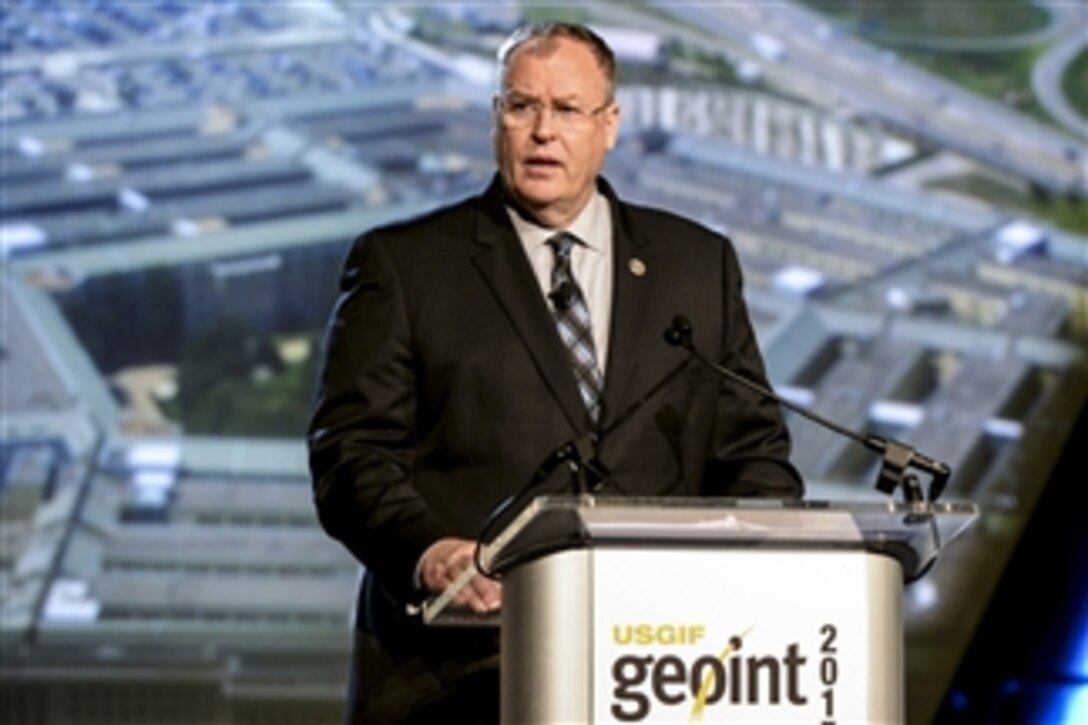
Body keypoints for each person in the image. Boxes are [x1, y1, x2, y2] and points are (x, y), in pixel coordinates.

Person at [308, 21, 803, 724]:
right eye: (521, 106)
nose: (543, 131)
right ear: (496, 120)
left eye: (567, 109)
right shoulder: (407, 265)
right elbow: (349, 454)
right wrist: (429, 551)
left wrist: (754, 564)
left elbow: (754, 455)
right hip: (460, 675)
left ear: (609, 125)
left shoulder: (697, 265)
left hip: (662, 669)